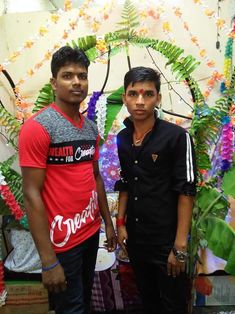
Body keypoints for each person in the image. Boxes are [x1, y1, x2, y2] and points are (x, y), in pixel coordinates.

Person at [18, 46, 116, 314]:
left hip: (88, 233)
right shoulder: (37, 127)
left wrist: (107, 223)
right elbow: (31, 194)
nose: (76, 82)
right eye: (67, 75)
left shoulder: (89, 127)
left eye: (82, 76)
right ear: (54, 83)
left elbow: (95, 176)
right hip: (61, 241)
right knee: (70, 308)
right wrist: (48, 261)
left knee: (82, 302)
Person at [115, 66, 196, 314]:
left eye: (148, 94)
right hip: (138, 240)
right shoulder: (122, 138)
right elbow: (126, 183)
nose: (140, 101)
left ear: (158, 98)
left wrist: (179, 247)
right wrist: (120, 223)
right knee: (148, 302)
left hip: (167, 242)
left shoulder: (176, 137)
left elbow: (187, 191)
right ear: (125, 98)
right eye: (133, 94)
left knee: (173, 304)